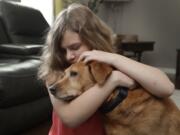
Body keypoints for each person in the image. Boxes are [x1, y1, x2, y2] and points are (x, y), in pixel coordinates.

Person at [38, 3, 174, 135]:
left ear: (93, 40)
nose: (68, 56)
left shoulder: (107, 65)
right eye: (62, 50)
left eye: (75, 47)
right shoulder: (55, 73)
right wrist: (113, 80)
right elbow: (70, 118)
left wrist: (113, 58)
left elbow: (166, 87)